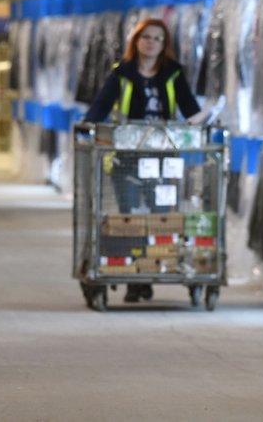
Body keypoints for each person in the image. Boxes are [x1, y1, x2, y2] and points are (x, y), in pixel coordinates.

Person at [83, 18, 203, 304]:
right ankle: (134, 278)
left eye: (157, 38)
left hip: (163, 158)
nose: (151, 42)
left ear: (165, 45)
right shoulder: (121, 74)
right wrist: (88, 126)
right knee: (129, 217)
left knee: (159, 215)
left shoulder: (174, 74)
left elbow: (190, 109)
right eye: (146, 37)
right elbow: (100, 105)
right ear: (136, 41)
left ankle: (149, 272)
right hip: (126, 157)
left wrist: (196, 124)